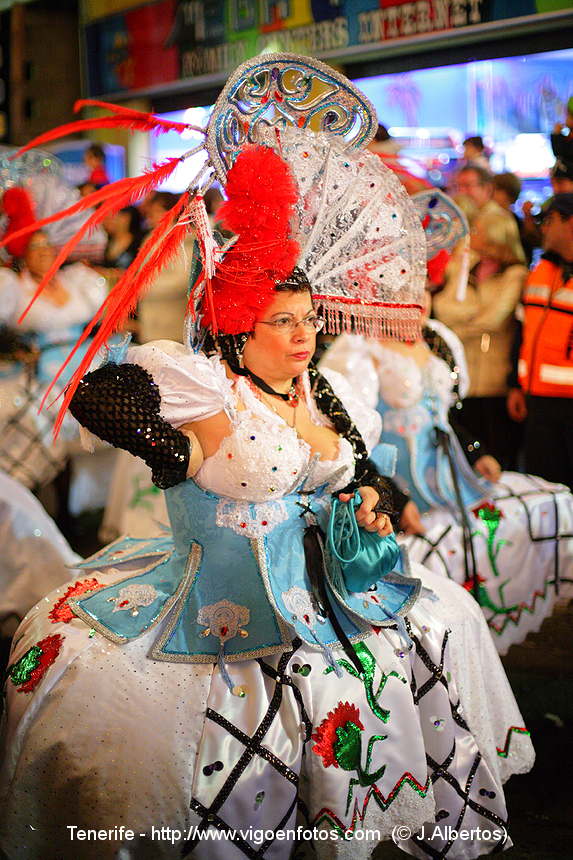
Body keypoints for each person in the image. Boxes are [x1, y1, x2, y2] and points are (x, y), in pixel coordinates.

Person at [0, 56, 533, 860]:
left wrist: (371, 504)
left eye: (308, 318)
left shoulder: (320, 391)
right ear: (240, 327)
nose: (303, 334)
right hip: (220, 599)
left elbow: (360, 470)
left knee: (447, 618)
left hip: (329, 588)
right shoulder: (204, 382)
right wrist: (177, 453)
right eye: (282, 321)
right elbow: (97, 393)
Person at [433, 176, 528, 469]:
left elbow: (494, 318)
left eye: (481, 229)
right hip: (465, 381)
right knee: (467, 460)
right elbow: (442, 308)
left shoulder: (515, 274)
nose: (474, 234)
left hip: (496, 383)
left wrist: (461, 321)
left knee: (500, 458)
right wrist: (474, 315)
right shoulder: (465, 265)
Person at [507, 193, 573, 491]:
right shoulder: (541, 272)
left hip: (569, 403)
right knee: (542, 491)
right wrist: (515, 385)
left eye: (550, 220)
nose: (543, 228)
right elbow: (522, 331)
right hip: (538, 403)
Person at [137, 192, 194, 343]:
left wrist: (142, 287)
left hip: (171, 323)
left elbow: (181, 280)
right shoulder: (151, 238)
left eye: (157, 211)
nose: (152, 216)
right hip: (152, 320)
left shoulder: (182, 239)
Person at [102, 205, 144, 270]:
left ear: (127, 218)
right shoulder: (109, 239)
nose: (107, 222)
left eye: (111, 218)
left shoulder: (139, 242)